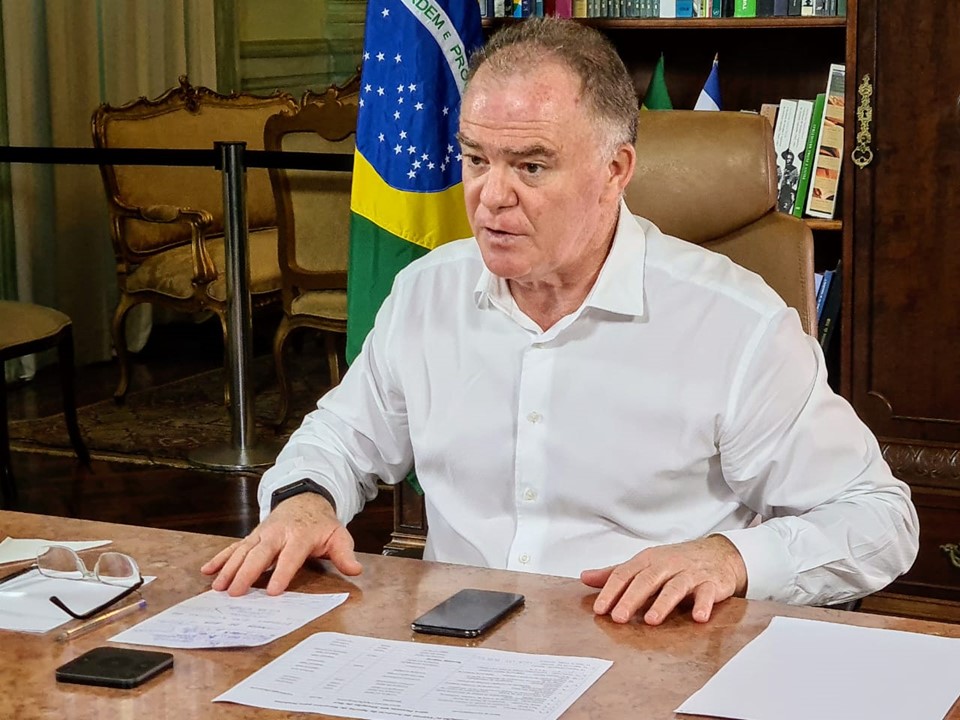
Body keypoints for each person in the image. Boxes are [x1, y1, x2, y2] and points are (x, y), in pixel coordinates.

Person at [202, 18, 918, 626]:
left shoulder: (734, 323)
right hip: (456, 653)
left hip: (648, 655)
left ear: (616, 170)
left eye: (532, 166)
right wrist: (303, 502)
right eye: (476, 159)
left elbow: (877, 518)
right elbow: (339, 439)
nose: (490, 196)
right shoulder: (427, 292)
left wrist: (731, 558)